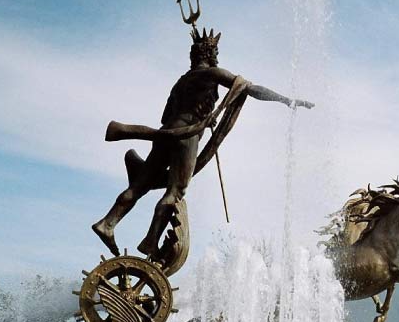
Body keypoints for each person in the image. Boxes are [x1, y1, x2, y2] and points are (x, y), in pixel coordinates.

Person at [92, 25, 313, 258]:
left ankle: (107, 223)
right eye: (215, 53)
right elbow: (250, 88)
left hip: (166, 132)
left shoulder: (181, 81)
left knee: (139, 186)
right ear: (210, 55)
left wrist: (200, 113)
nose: (217, 57)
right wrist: (286, 100)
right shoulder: (212, 74)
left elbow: (165, 115)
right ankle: (150, 241)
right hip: (186, 136)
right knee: (175, 191)